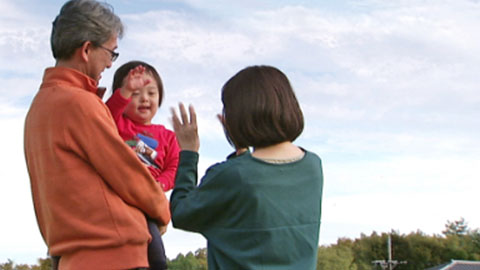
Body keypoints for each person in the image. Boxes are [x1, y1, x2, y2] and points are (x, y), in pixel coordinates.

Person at [23, 1, 170, 269]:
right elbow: (127, 173)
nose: (110, 64)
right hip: (114, 255)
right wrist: (162, 209)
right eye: (111, 53)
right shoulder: (78, 103)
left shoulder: (39, 106)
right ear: (87, 49)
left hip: (71, 258)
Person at [170, 65, 324, 270]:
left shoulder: (230, 174)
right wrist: (242, 148)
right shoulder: (313, 166)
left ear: (237, 117)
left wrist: (189, 153)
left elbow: (181, 213)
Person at [106, 61, 181, 270]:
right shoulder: (117, 123)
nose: (145, 99)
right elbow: (105, 114)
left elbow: (175, 167)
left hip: (148, 203)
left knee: (155, 256)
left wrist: (160, 184)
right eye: (136, 93)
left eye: (151, 93)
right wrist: (124, 92)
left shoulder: (168, 136)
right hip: (119, 198)